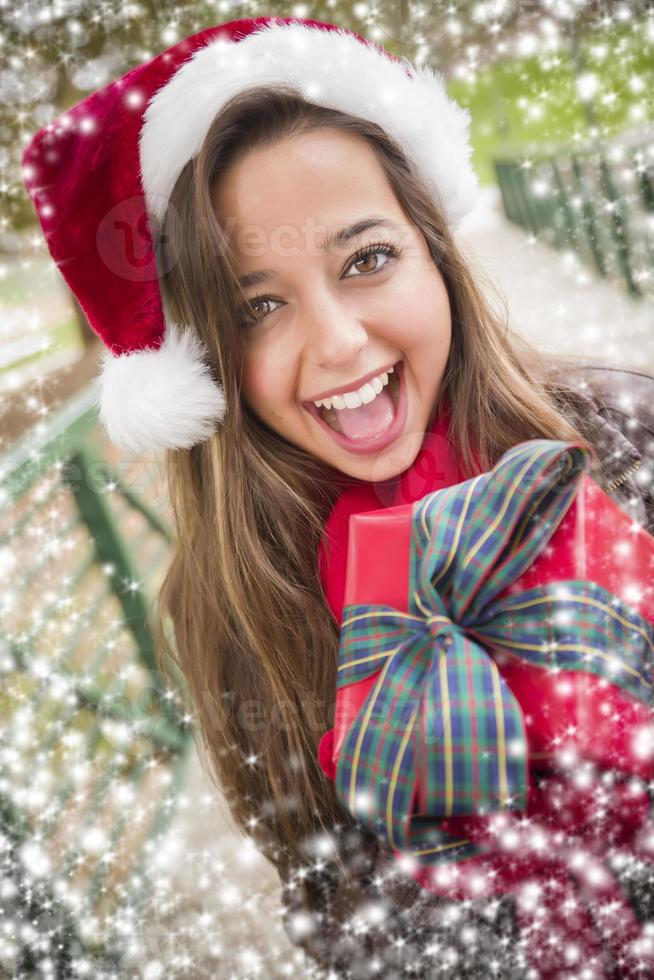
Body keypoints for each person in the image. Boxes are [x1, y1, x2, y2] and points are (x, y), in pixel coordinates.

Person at [22, 15, 654, 979]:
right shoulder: (237, 604)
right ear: (204, 354)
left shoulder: (620, 435)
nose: (340, 343)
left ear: (434, 249)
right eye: (257, 306)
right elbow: (324, 896)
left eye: (367, 260)